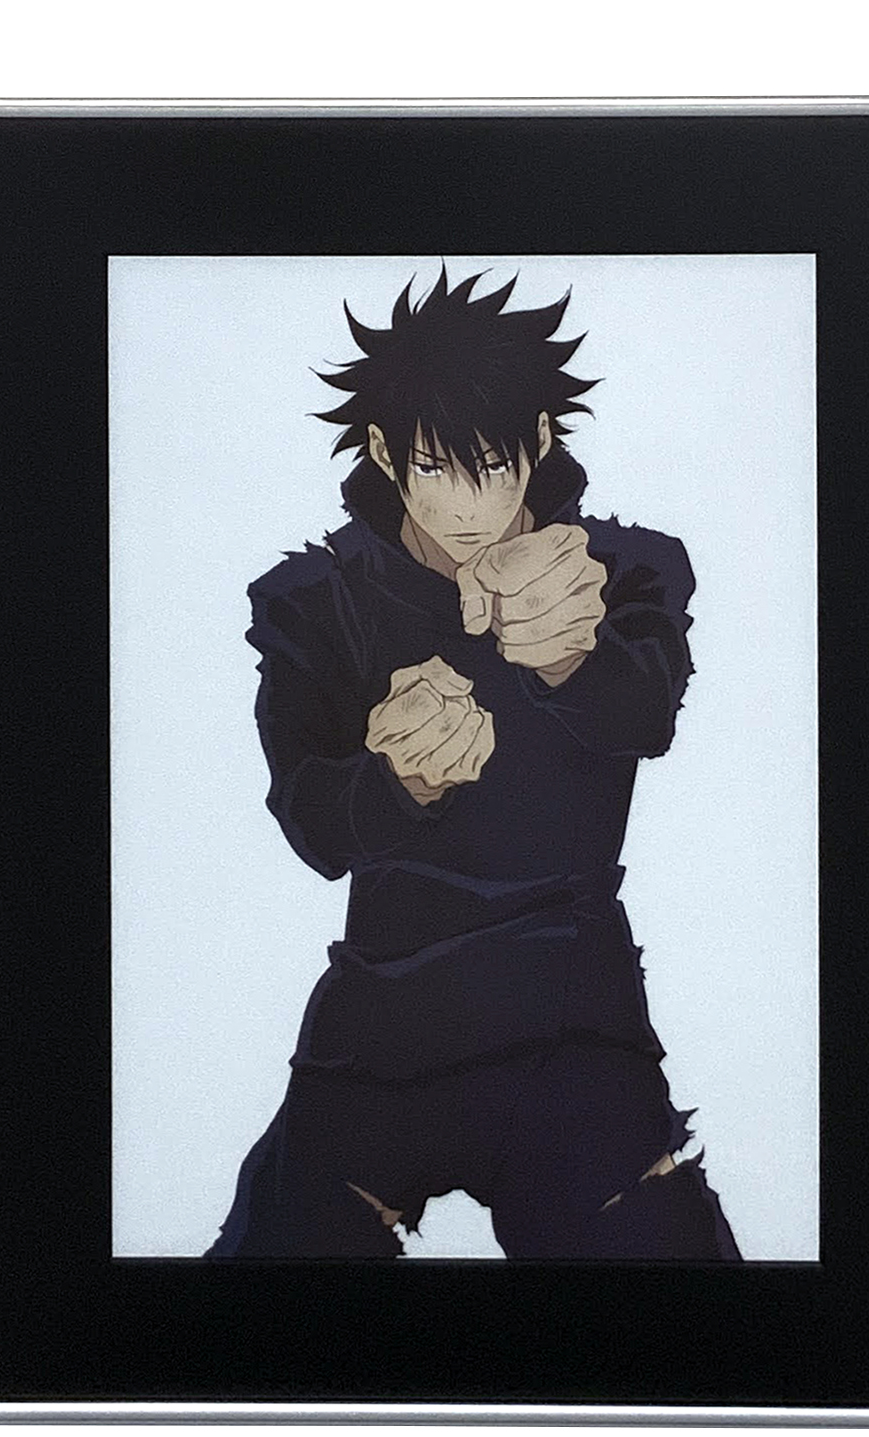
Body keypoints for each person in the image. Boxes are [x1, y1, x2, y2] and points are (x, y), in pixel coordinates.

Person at [206, 267, 741, 1259]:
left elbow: (647, 713)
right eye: (433, 467)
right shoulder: (314, 603)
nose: (465, 504)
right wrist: (396, 778)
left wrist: (574, 655)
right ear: (384, 453)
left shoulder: (627, 570)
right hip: (383, 1029)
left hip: (575, 1025)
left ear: (538, 441)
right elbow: (313, 825)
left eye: (490, 466)